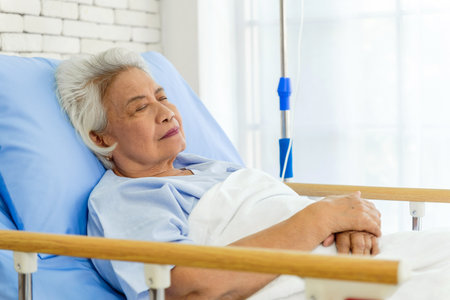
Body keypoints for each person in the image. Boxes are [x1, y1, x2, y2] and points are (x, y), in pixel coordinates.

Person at [55, 48, 381, 300]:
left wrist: (350, 224)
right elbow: (191, 289)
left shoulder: (208, 168)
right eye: (141, 107)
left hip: (349, 264)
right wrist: (320, 218)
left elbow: (287, 213)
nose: (167, 113)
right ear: (100, 138)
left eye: (163, 97)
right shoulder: (126, 199)